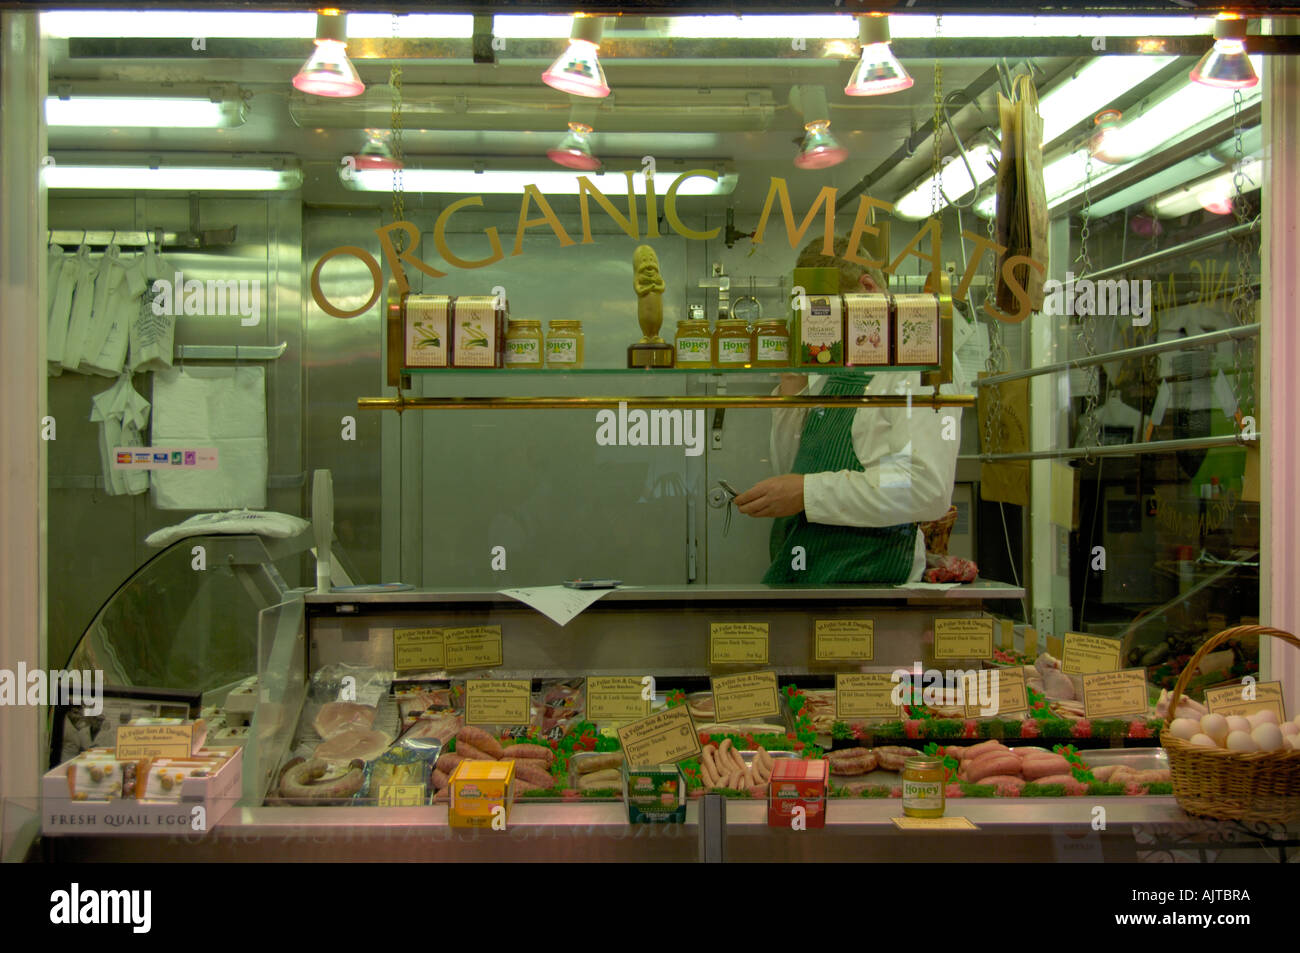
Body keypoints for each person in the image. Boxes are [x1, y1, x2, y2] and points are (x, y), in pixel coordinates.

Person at [734, 235, 963, 584]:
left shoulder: (919, 359)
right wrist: (792, 390)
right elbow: (793, 470)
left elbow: (925, 488)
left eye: (823, 315)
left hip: (871, 586)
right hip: (802, 575)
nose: (819, 333)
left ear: (867, 290)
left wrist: (807, 492)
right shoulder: (839, 361)